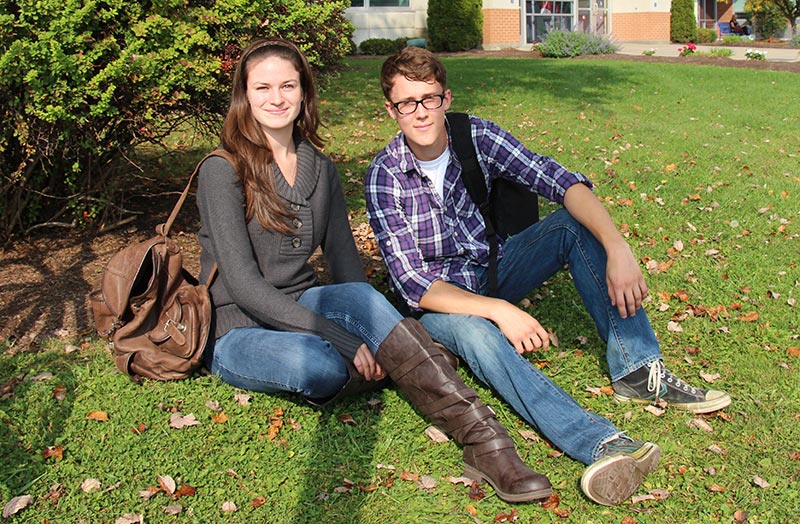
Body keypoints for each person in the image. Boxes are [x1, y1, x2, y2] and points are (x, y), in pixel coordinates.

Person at [195, 37, 554, 504]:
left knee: (364, 300)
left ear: (304, 92)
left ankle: (485, 443)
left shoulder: (319, 168)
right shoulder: (221, 170)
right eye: (263, 87)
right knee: (321, 366)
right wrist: (343, 337)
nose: (277, 98)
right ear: (246, 96)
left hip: (302, 300)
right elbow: (242, 286)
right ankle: (416, 356)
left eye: (288, 85)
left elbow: (345, 265)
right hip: (235, 326)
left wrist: (364, 325)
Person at [366, 47, 732, 504]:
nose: (420, 112)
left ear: (446, 98)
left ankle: (638, 369)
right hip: (441, 302)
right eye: (407, 103)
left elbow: (559, 181)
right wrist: (498, 311)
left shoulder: (474, 136)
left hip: (494, 269)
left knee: (573, 225)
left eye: (430, 98)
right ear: (390, 109)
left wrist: (618, 248)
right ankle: (600, 442)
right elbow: (414, 284)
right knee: (480, 337)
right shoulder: (385, 175)